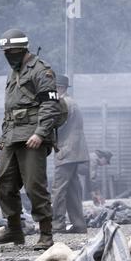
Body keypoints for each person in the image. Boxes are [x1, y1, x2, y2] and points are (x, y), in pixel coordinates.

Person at [0, 29, 61, 250]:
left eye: (11, 51)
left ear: (22, 49)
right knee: (4, 184)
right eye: (5, 51)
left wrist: (40, 133)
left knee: (34, 186)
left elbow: (50, 104)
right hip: (12, 136)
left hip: (32, 136)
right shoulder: (13, 72)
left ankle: (46, 233)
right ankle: (14, 229)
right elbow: (10, 108)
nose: (8, 54)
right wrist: (3, 136)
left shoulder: (41, 70)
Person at [51, 75, 89, 234]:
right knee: (73, 189)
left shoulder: (62, 103)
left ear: (59, 88)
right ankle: (79, 224)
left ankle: (57, 225)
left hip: (66, 151)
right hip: (75, 151)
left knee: (58, 190)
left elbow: (55, 125)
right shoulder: (72, 102)